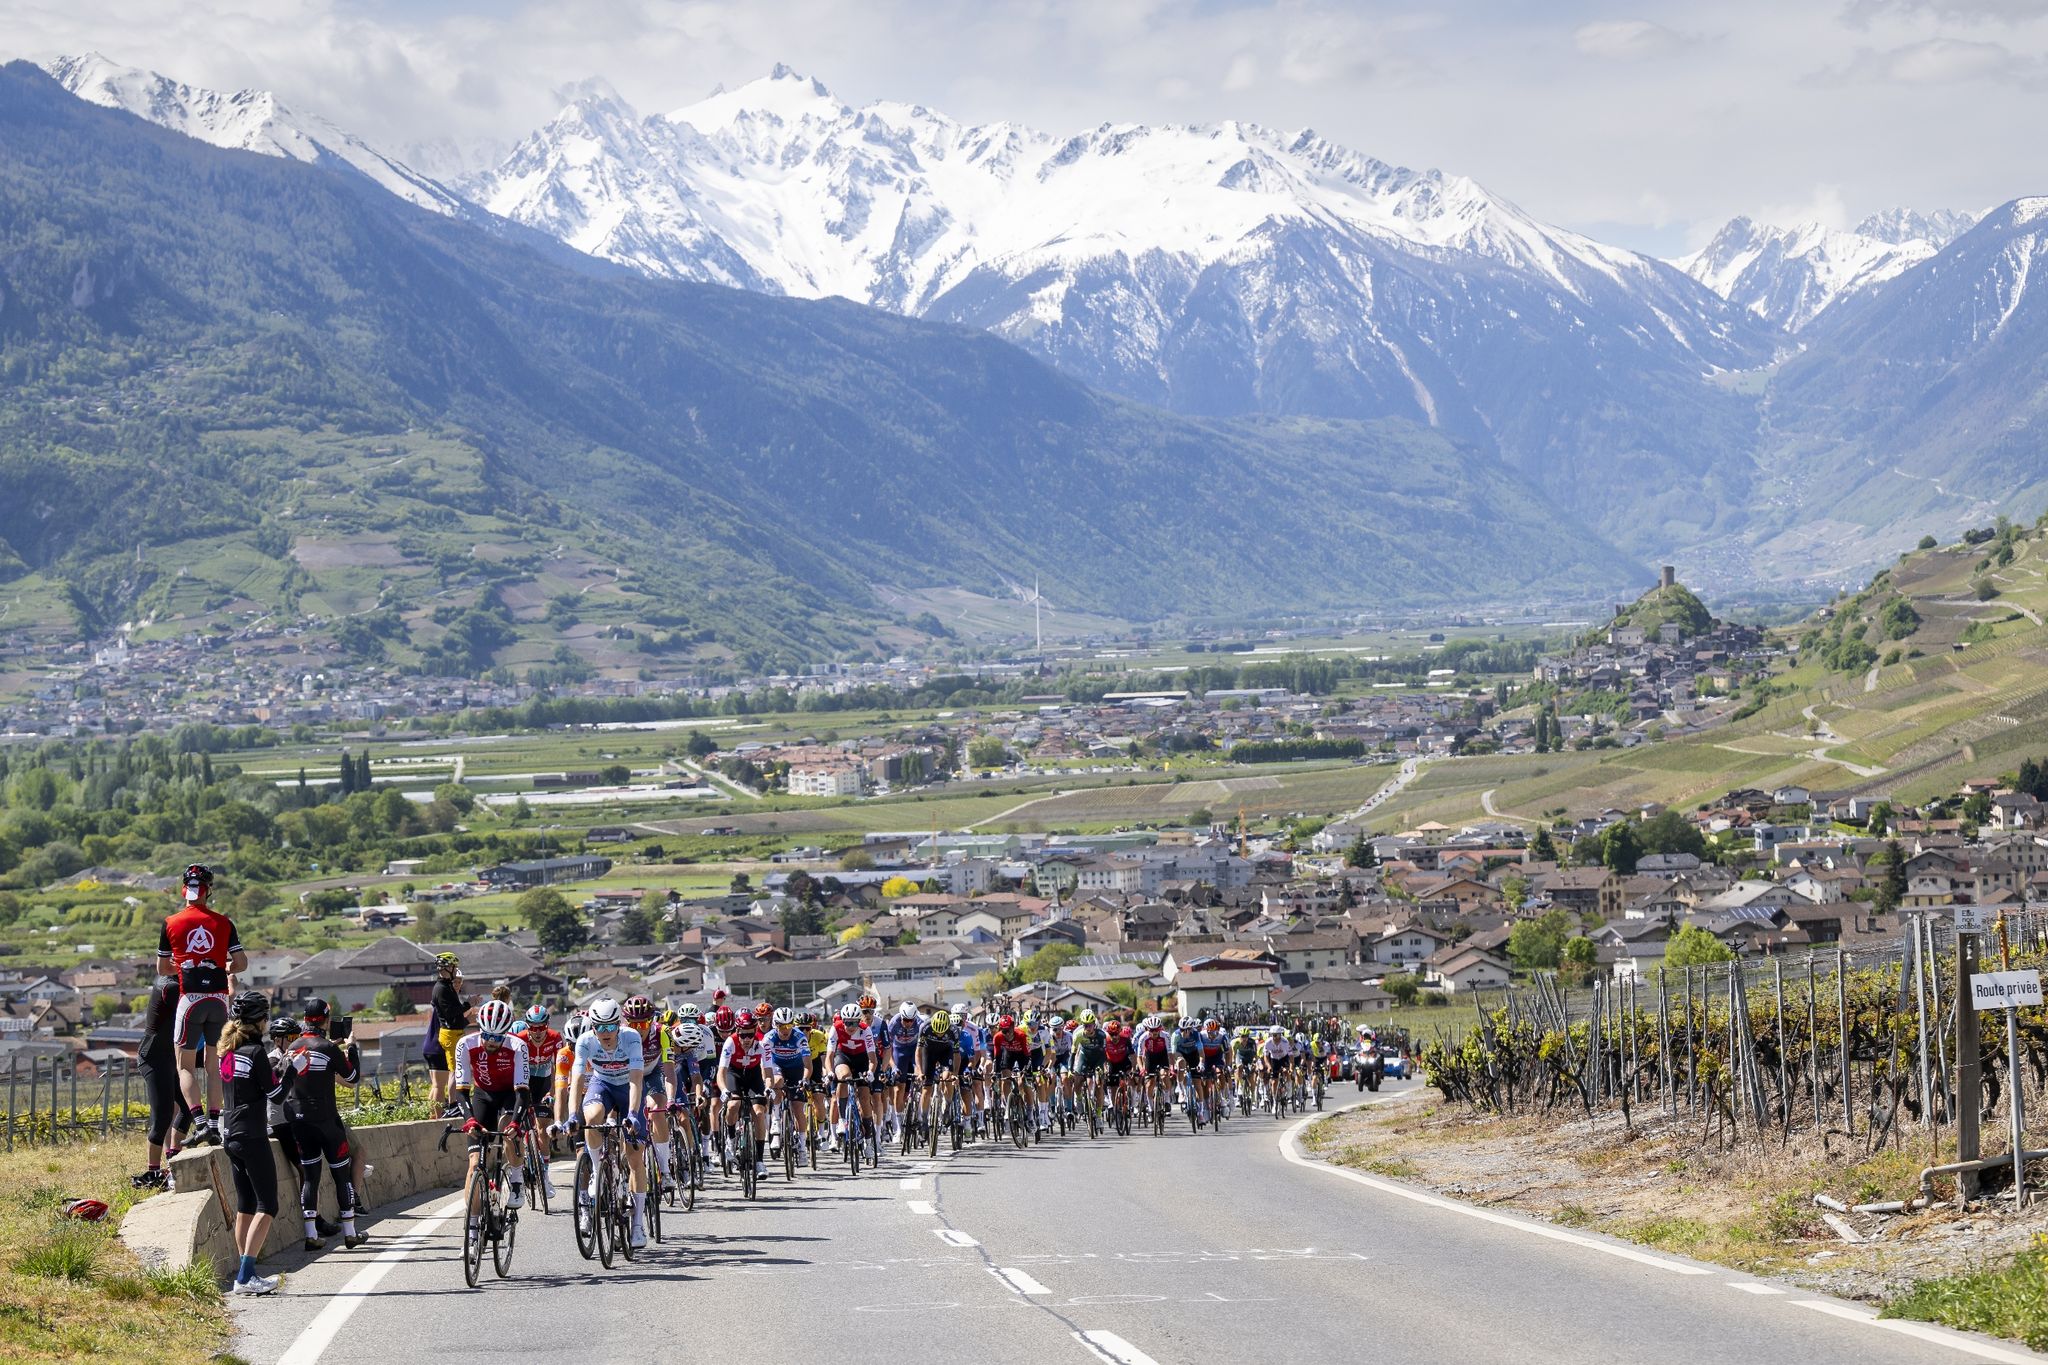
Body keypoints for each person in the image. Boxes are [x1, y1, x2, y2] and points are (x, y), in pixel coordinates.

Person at [157, 865, 246, 1147]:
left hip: (190, 998)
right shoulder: (224, 922)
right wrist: (222, 964)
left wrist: (185, 963)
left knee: (184, 1067)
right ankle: (215, 1123)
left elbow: (162, 967)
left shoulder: (171, 922)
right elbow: (241, 963)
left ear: (184, 889)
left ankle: (199, 1123)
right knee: (215, 1066)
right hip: (219, 1000)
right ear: (209, 891)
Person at [561, 997, 648, 1249]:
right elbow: (576, 1080)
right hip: (603, 1085)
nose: (606, 1033)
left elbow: (635, 1079)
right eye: (601, 1027)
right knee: (592, 1117)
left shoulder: (631, 1038)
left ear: (618, 1025)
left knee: (634, 1157)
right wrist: (572, 1115)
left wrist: (632, 1112)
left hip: (627, 1088)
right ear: (593, 1027)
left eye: (611, 1027)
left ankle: (638, 1226)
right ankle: (598, 1174)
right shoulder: (585, 1041)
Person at [286, 1000, 366, 1251]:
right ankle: (350, 1233)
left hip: (299, 1121)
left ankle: (311, 1235)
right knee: (341, 1175)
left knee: (310, 1178)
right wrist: (351, 1048)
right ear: (326, 1021)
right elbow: (352, 1077)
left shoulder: (293, 1047)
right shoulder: (327, 1048)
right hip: (327, 1121)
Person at [219, 990, 285, 1295]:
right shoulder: (257, 1052)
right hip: (252, 1134)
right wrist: (291, 1071)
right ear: (261, 1021)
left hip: (229, 1134)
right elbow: (276, 1095)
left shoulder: (228, 1051)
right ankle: (245, 1277)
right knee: (267, 1205)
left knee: (245, 1205)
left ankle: (243, 1274)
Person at [454, 998, 532, 1228]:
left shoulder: (518, 1046)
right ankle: (473, 1227)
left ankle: (517, 1179)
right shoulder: (465, 1044)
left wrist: (517, 1123)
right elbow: (460, 1091)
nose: (491, 1041)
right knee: (474, 1163)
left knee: (508, 1125)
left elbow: (523, 1092)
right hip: (483, 1095)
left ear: (506, 1034)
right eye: (487, 1035)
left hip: (510, 1093)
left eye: (498, 1037)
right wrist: (469, 1120)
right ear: (480, 1029)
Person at [131, 972, 192, 1189]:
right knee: (163, 1116)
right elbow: (181, 1000)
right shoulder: (168, 984)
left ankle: (173, 1161)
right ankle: (152, 1173)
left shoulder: (182, 984)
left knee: (188, 1108)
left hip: (170, 1057)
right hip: (153, 1058)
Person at [427, 954, 467, 1111]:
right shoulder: (442, 989)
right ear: (446, 969)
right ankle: (452, 1106)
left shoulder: (445, 987)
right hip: (443, 1039)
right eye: (453, 968)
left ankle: (440, 1112)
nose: (456, 970)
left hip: (443, 1037)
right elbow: (451, 1014)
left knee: (441, 1082)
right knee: (451, 1075)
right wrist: (468, 1004)